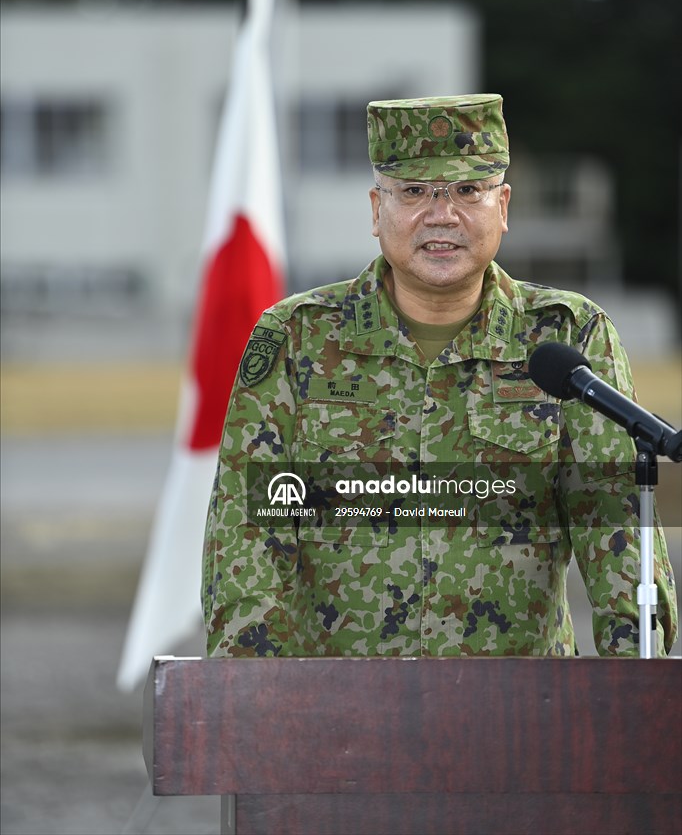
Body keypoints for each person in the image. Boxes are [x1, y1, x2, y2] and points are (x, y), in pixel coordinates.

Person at [202, 93, 677, 658]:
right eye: (414, 192)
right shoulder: (298, 337)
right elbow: (248, 533)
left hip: (521, 717)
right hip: (338, 714)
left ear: (502, 206)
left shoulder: (567, 337)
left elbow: (614, 523)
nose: (441, 214)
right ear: (377, 210)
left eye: (466, 191)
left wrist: (633, 698)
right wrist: (262, 706)